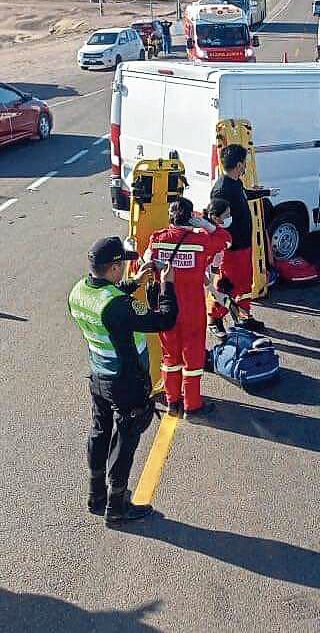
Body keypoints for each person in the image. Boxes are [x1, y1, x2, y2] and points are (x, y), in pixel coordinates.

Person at [68, 236, 178, 526]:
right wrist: (167, 283)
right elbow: (165, 320)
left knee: (99, 432)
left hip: (99, 376)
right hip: (124, 381)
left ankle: (97, 496)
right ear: (115, 267)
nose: (126, 268)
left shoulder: (78, 291)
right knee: (125, 440)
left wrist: (134, 283)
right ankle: (117, 507)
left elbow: (108, 302)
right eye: (124, 265)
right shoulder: (117, 306)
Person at [147, 197, 231, 420]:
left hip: (166, 308)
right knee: (192, 359)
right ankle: (192, 405)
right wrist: (205, 224)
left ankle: (173, 403)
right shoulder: (201, 241)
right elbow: (226, 239)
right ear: (190, 217)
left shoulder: (157, 239)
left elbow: (143, 265)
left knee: (169, 357)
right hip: (192, 310)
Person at [209, 144, 277, 334]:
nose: (245, 166)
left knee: (245, 284)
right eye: (244, 163)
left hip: (244, 246)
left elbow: (245, 194)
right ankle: (215, 318)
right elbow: (215, 220)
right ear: (239, 165)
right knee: (228, 286)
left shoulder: (235, 182)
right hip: (231, 250)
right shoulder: (221, 190)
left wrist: (265, 193)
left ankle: (244, 316)